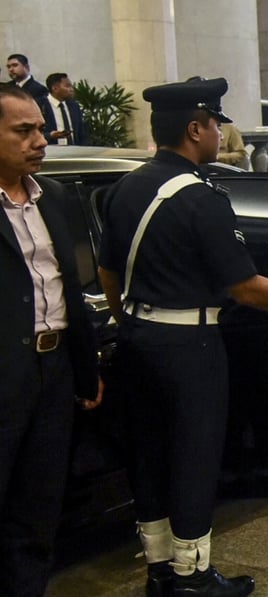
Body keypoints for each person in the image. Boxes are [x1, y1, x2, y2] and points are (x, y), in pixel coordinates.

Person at [97, 77, 268, 596]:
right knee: (195, 455)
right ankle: (193, 576)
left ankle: (158, 569)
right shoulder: (202, 197)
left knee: (148, 454)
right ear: (195, 129)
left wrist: (131, 322)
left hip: (137, 339)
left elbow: (109, 274)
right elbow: (245, 287)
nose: (220, 132)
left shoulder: (124, 188)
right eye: (216, 123)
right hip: (188, 349)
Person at [0, 84, 102, 597]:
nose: (40, 139)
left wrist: (85, 371)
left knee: (38, 511)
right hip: (3, 376)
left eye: (40, 127)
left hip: (54, 372)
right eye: (24, 131)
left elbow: (70, 292)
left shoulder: (54, 197)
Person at [38, 72, 89, 146]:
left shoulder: (74, 106)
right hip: (51, 151)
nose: (71, 89)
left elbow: (81, 133)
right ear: (55, 88)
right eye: (67, 86)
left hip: (75, 152)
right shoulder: (40, 105)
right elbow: (32, 134)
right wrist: (50, 135)